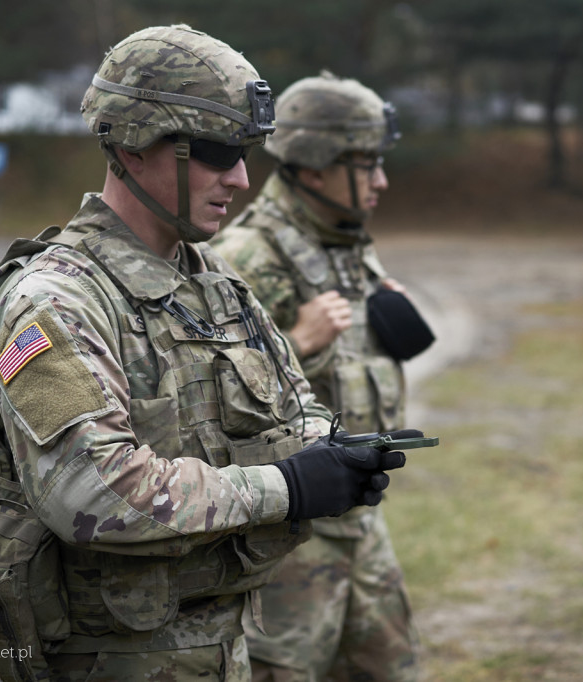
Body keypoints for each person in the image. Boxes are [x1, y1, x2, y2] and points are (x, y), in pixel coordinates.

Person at [0, 27, 411, 682]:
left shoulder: (214, 287)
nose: (241, 178)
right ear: (134, 145)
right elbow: (91, 491)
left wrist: (334, 454)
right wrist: (287, 485)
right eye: (217, 151)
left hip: (221, 646)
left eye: (244, 153)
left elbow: (296, 406)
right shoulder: (55, 301)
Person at [212, 71, 433, 682]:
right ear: (313, 167)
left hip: (362, 520)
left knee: (393, 668)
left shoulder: (345, 241)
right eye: (366, 165)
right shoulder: (247, 257)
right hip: (293, 535)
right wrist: (298, 344)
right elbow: (210, 406)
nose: (382, 181)